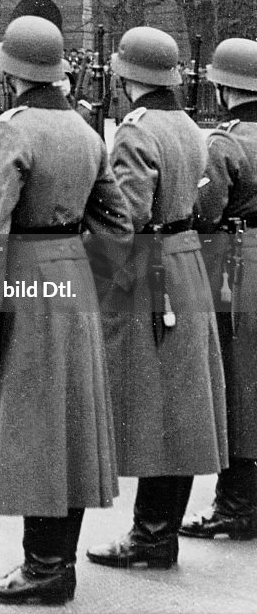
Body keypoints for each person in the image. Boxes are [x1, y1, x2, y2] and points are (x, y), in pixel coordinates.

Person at [0, 16, 133, 606]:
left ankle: (42, 570)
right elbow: (117, 223)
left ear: (9, 74)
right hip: (75, 283)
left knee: (36, 425)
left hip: (25, 283)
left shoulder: (12, 130)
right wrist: (89, 280)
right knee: (71, 424)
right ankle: (54, 562)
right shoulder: (87, 130)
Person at [87, 26, 228, 570]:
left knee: (152, 405)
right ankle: (157, 532)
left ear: (125, 78)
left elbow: (125, 219)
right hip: (186, 260)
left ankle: (149, 538)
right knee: (183, 403)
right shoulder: (191, 126)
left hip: (148, 273)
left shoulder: (135, 132)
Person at [180, 38, 257, 541]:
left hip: (240, 264)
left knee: (239, 384)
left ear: (224, 86)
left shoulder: (225, 142)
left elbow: (206, 211)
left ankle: (236, 505)